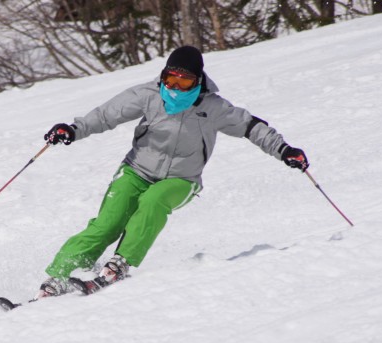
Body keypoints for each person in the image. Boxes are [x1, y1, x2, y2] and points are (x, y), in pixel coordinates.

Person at [36, 45, 309, 298]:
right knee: (108, 222)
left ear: (198, 81)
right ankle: (60, 275)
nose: (176, 87)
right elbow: (106, 115)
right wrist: (72, 129)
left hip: (181, 179)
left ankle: (120, 263)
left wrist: (284, 150)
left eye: (185, 81)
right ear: (163, 76)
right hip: (135, 170)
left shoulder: (212, 107)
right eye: (171, 79)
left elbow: (252, 126)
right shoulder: (149, 95)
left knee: (153, 202)